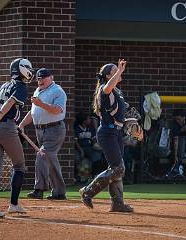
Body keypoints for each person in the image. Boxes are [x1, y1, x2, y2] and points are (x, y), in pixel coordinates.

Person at [79, 59, 134, 212]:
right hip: (107, 132)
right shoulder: (105, 88)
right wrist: (120, 71)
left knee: (117, 167)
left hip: (116, 132)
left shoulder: (118, 91)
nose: (118, 72)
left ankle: (117, 204)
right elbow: (109, 87)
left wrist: (132, 123)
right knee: (118, 168)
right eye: (114, 71)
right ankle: (87, 191)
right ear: (108, 75)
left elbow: (119, 113)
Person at [0, 58, 34, 217]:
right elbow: (10, 102)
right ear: (22, 70)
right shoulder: (20, 86)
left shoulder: (3, 85)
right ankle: (14, 204)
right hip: (6, 127)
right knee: (19, 166)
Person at [19, 68, 67, 200]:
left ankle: (39, 189)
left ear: (51, 77)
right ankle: (59, 192)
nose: (40, 80)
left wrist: (41, 104)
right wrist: (22, 124)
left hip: (54, 129)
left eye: (43, 78)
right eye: (38, 78)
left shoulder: (57, 91)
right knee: (49, 160)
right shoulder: (38, 91)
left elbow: (58, 110)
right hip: (40, 130)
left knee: (42, 155)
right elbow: (34, 111)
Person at [74, 112, 103, 180]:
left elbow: (93, 140)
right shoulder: (76, 129)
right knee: (77, 158)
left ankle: (95, 175)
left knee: (97, 157)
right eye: (88, 119)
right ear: (84, 121)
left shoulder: (90, 129)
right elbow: (75, 141)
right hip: (79, 148)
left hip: (89, 147)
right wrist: (81, 150)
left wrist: (95, 145)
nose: (90, 120)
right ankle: (77, 177)